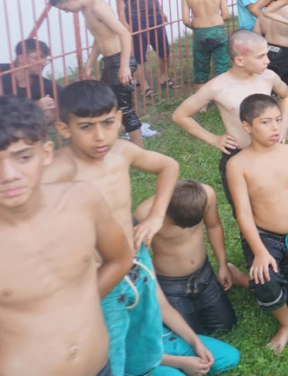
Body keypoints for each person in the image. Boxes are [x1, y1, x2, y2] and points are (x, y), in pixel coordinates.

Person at [0, 95, 132, 376]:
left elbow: (121, 258)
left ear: (46, 153)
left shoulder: (82, 200)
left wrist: (78, 307)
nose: (9, 175)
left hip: (100, 367)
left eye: (23, 157)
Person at [46, 80, 182, 376]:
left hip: (137, 260)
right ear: (64, 129)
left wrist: (156, 216)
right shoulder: (58, 170)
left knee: (144, 331)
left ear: (119, 120)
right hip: (99, 278)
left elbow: (169, 166)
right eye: (86, 127)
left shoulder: (122, 151)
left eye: (107, 123)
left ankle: (146, 367)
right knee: (109, 347)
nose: (99, 136)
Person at [226, 94, 288, 354]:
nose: (275, 128)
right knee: (268, 283)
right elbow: (243, 214)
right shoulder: (237, 164)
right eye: (265, 122)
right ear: (247, 126)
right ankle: (286, 324)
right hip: (265, 236)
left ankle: (241, 278)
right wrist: (259, 251)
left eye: (278, 120)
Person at [172, 31, 288, 208]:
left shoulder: (268, 77)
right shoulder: (218, 86)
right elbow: (180, 115)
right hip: (238, 155)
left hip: (271, 151)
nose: (267, 60)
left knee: (276, 203)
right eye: (261, 56)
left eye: (267, 54)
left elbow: (287, 95)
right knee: (244, 208)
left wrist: (284, 127)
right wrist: (213, 139)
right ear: (240, 60)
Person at [134, 179, 237, 336]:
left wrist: (222, 265)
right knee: (186, 336)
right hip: (171, 284)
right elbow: (138, 259)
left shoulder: (206, 195)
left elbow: (213, 226)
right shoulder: (145, 215)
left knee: (226, 326)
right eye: (179, 225)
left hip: (204, 276)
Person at [48, 0, 144, 148]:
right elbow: (98, 37)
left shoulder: (97, 7)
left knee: (124, 106)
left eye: (65, 8)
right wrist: (90, 64)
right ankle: (113, 138)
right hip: (109, 61)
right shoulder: (86, 10)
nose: (67, 12)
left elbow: (124, 33)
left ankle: (140, 150)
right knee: (107, 102)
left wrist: (124, 66)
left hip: (119, 60)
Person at [115, 0, 172, 93]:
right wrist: (123, 21)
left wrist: (160, 10)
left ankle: (164, 78)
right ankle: (144, 85)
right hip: (136, 16)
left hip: (155, 15)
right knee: (140, 54)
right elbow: (120, 0)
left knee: (164, 50)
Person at [0, 38, 61, 121]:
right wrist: (33, 106)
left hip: (17, 124)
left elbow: (65, 96)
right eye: (38, 58)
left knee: (50, 110)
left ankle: (34, 133)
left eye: (45, 59)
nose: (43, 63)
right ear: (21, 58)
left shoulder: (42, 83)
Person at [182, 0, 230, 87]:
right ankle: (222, 99)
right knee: (222, 65)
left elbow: (185, 20)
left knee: (200, 68)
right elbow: (225, 15)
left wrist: (197, 26)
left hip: (200, 32)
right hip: (218, 31)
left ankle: (202, 106)